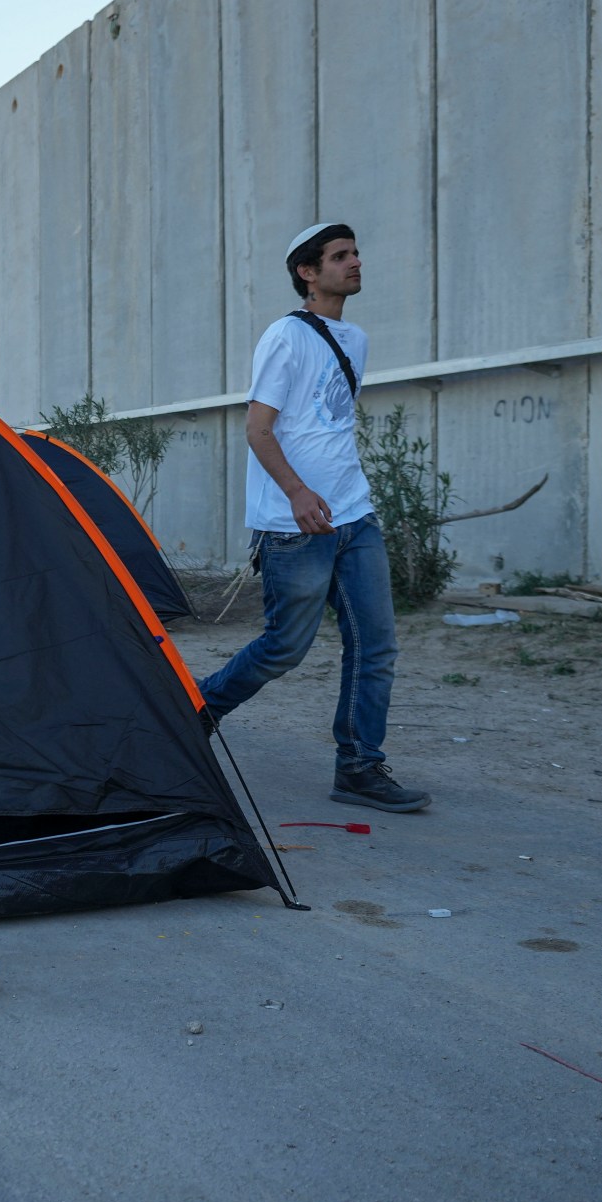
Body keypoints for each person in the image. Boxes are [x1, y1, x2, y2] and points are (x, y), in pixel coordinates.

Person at [198, 223, 429, 813]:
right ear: (308, 271)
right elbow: (258, 427)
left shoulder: (355, 339)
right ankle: (193, 713)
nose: (355, 263)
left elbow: (328, 427)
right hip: (292, 523)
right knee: (284, 647)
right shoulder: (285, 336)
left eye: (356, 253)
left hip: (354, 515)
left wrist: (338, 494)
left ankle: (359, 767)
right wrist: (298, 493)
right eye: (340, 256)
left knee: (375, 646)